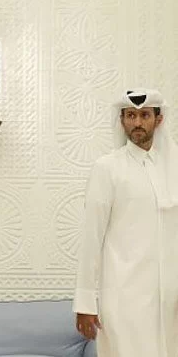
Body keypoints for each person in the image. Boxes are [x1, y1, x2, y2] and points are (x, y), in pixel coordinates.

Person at [73, 88, 178, 356]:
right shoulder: (107, 168)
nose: (137, 122)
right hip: (124, 298)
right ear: (122, 120)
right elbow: (91, 237)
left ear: (159, 120)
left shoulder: (174, 167)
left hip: (169, 300)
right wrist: (85, 303)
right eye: (131, 115)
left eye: (145, 115)